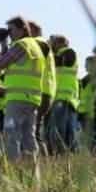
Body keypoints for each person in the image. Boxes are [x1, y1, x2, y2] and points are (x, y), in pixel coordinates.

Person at [0, 16, 46, 161]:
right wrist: (4, 44)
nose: (9, 33)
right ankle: (32, 173)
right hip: (31, 98)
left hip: (17, 99)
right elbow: (9, 64)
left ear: (22, 29)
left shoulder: (21, 45)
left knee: (11, 134)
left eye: (11, 30)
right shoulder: (33, 45)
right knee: (28, 137)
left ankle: (13, 171)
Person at [47, 35, 79, 154]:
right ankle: (67, 154)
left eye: (54, 43)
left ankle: (62, 153)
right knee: (67, 129)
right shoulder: (57, 56)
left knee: (60, 130)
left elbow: (61, 61)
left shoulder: (69, 52)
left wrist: (48, 49)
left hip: (64, 98)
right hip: (61, 98)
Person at [28, 21, 55, 154]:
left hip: (40, 90)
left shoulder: (38, 43)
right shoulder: (43, 43)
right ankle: (43, 161)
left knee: (34, 130)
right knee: (35, 129)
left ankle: (42, 160)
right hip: (45, 90)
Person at [77, 55, 96, 150]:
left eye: (88, 64)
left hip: (93, 112)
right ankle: (94, 154)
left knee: (92, 137)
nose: (85, 66)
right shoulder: (83, 80)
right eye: (85, 64)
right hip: (83, 112)